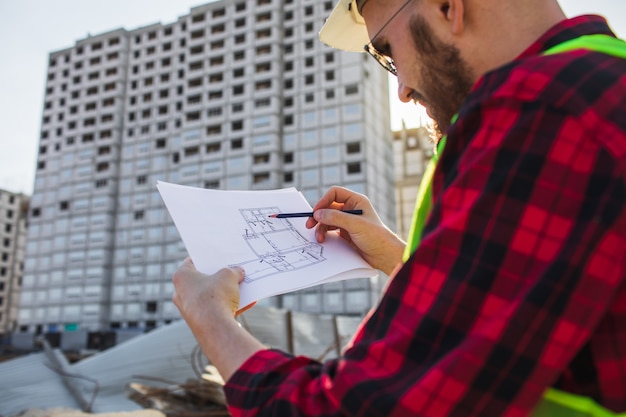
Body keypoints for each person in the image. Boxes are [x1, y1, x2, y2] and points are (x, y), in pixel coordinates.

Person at [171, 0, 626, 415]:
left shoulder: (544, 114)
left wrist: (209, 316)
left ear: (449, 7)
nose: (403, 91)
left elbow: (371, 407)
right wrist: (394, 256)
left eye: (387, 53)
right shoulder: (601, 82)